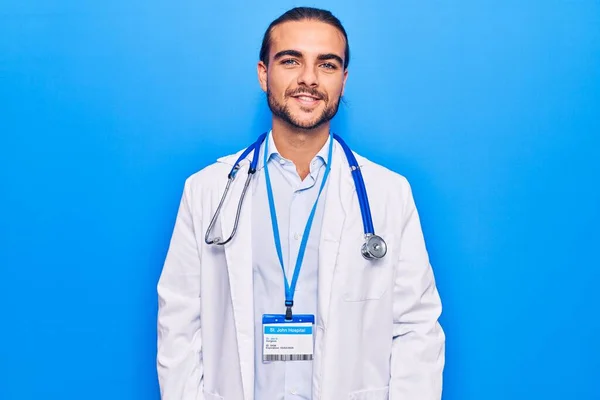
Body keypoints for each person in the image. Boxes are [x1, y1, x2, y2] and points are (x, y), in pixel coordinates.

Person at [156, 6, 445, 400]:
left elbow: (417, 328)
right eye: (291, 61)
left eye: (326, 65)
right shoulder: (207, 190)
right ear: (263, 74)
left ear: (343, 81)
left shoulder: (388, 193)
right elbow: (178, 326)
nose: (308, 78)